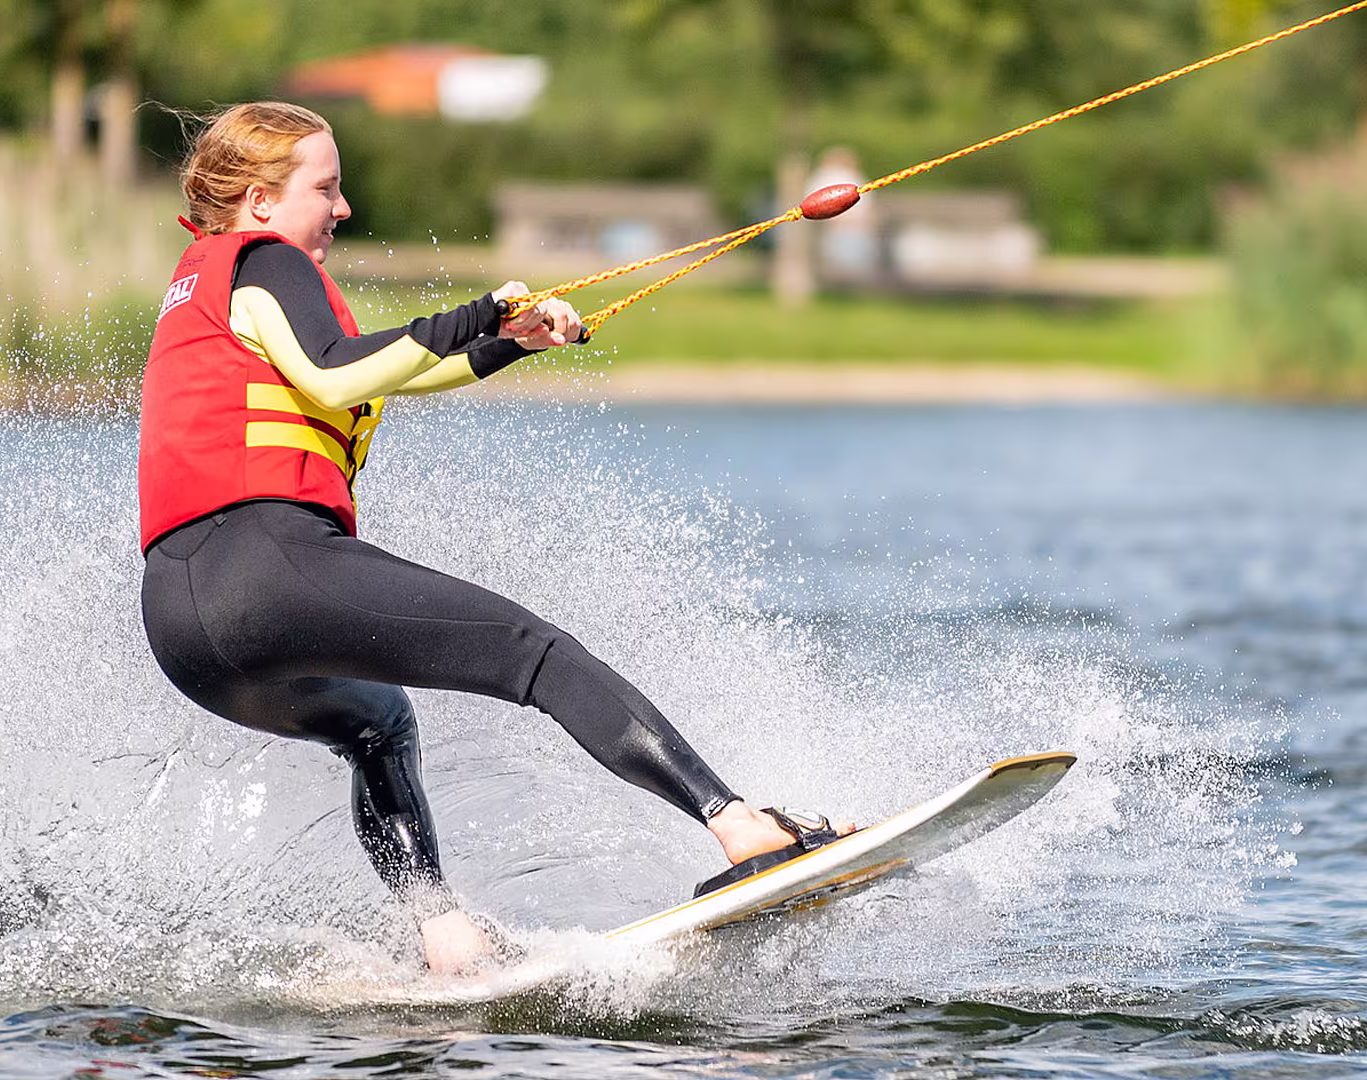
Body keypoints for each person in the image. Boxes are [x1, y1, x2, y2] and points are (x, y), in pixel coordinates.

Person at [138, 101, 844, 974]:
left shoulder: (206, 283)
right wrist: (477, 311)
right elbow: (339, 370)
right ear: (258, 201)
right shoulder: (271, 263)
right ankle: (742, 826)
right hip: (266, 567)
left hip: (182, 625)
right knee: (534, 652)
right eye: (326, 187)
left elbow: (350, 379)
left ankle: (444, 935)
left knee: (377, 722)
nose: (344, 207)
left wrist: (503, 343)